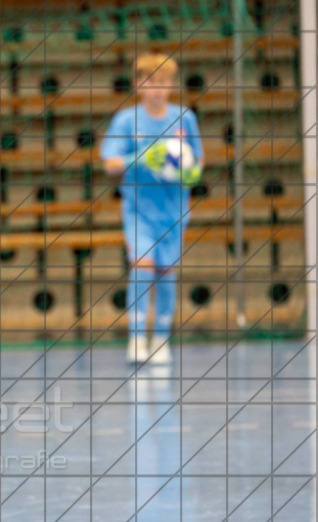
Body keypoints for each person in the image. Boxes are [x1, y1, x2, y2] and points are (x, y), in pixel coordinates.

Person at [101, 52, 204, 364]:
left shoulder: (184, 117)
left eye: (162, 82)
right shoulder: (125, 120)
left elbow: (198, 162)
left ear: (171, 85)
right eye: (149, 81)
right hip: (138, 211)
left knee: (166, 272)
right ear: (138, 84)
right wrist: (143, 156)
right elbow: (109, 164)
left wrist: (186, 170)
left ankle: (161, 338)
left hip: (173, 211)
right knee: (142, 267)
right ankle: (136, 340)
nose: (156, 88)